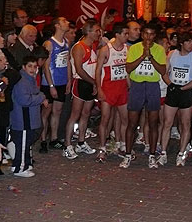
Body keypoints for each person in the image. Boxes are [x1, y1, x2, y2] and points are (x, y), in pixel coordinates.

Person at [121, 24, 167, 169]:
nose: (148, 37)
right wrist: (142, 56)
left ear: (155, 36)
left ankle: (152, 155)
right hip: (137, 86)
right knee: (132, 123)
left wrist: (150, 57)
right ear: (142, 35)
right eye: (146, 34)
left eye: (151, 34)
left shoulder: (159, 49)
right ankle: (127, 155)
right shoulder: (134, 48)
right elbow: (128, 68)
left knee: (153, 122)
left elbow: (162, 70)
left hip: (153, 86)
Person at [159, 32, 192, 166]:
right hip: (173, 90)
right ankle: (163, 152)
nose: (191, 45)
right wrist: (171, 85)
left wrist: (183, 88)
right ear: (182, 43)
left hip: (186, 91)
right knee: (167, 123)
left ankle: (181, 153)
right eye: (188, 42)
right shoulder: (172, 54)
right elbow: (164, 72)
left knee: (185, 123)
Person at [63, 20, 101, 160]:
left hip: (90, 83)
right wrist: (94, 83)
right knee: (75, 115)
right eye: (96, 30)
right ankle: (67, 145)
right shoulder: (79, 47)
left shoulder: (93, 46)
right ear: (88, 32)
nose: (99, 33)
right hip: (80, 83)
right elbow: (79, 69)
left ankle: (81, 141)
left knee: (86, 114)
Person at [94, 22, 129, 162]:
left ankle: (122, 144)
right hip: (108, 89)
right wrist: (99, 89)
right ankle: (102, 148)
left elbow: (127, 70)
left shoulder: (128, 49)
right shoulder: (106, 50)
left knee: (125, 119)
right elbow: (97, 71)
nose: (127, 36)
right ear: (117, 34)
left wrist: (129, 86)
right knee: (105, 119)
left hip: (122, 89)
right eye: (125, 34)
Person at [10, 55, 48, 177]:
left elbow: (35, 93)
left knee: (26, 144)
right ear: (24, 67)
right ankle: (19, 168)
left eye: (34, 67)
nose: (32, 69)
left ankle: (25, 163)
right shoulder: (22, 81)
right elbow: (25, 100)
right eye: (30, 66)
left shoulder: (29, 79)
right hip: (23, 120)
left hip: (28, 119)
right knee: (23, 144)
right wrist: (41, 98)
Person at [39, 17, 71, 152]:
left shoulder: (66, 42)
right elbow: (45, 67)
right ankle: (42, 140)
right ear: (57, 26)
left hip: (62, 81)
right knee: (46, 111)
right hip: (49, 82)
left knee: (57, 111)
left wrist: (69, 80)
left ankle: (54, 138)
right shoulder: (49, 43)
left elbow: (67, 62)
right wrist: (51, 86)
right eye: (65, 21)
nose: (68, 23)